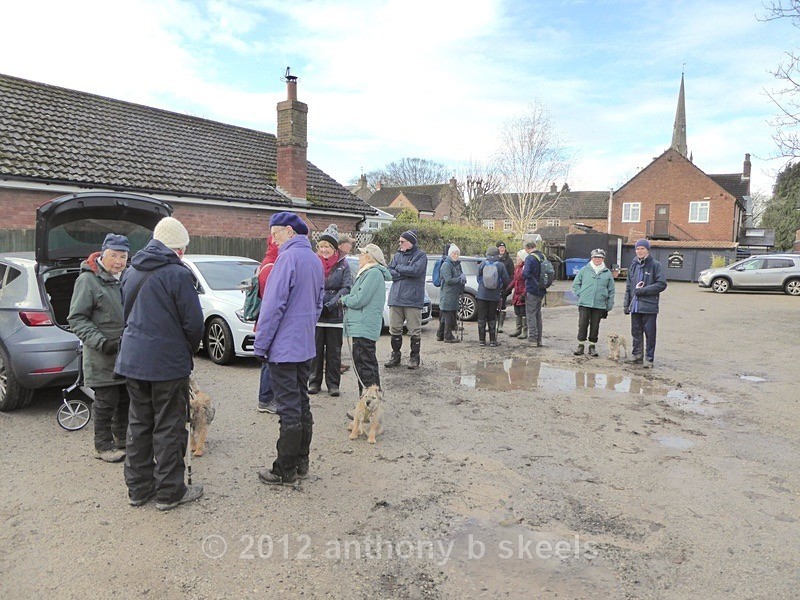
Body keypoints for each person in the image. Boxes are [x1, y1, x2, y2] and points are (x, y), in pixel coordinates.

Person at [115, 217, 205, 511]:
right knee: (169, 425)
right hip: (166, 364)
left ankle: (138, 490)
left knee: (139, 423)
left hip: (132, 360)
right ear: (178, 249)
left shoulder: (131, 270)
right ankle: (169, 492)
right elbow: (193, 323)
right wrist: (188, 348)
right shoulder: (177, 274)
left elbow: (126, 313)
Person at [255, 212, 323, 485]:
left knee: (289, 407)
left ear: (290, 232)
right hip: (304, 344)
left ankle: (284, 469)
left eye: (276, 232)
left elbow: (272, 306)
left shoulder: (287, 258)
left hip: (284, 347)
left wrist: (261, 344)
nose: (273, 238)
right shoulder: (315, 260)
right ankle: (301, 462)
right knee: (302, 402)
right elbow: (318, 303)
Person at [67, 233, 131, 463]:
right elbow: (77, 318)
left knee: (126, 397)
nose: (118, 261)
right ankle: (102, 446)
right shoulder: (88, 280)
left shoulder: (126, 277)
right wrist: (102, 342)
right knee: (106, 401)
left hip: (126, 352)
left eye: (123, 256)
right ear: (103, 254)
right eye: (113, 255)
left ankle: (123, 439)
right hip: (101, 353)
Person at [341, 244, 392, 394]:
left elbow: (359, 299)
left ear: (369, 257)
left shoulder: (372, 273)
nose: (359, 257)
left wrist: (344, 300)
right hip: (362, 326)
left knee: (365, 368)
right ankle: (373, 405)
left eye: (362, 255)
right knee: (367, 365)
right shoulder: (368, 273)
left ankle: (368, 408)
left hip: (364, 326)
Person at [309, 225, 353, 397]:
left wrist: (332, 304)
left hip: (335, 315)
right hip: (317, 314)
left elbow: (346, 287)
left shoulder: (344, 265)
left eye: (328, 246)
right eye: (322, 246)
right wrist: (319, 305)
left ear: (334, 248)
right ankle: (314, 382)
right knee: (315, 351)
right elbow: (309, 286)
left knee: (334, 352)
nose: (324, 250)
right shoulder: (314, 263)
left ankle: (333, 384)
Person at [385, 230, 427, 369]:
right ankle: (395, 356)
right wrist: (404, 271)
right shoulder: (397, 255)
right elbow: (389, 272)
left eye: (402, 241)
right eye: (399, 241)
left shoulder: (421, 255)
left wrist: (399, 269)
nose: (400, 244)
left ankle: (414, 357)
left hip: (412, 299)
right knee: (395, 329)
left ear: (411, 242)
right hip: (396, 297)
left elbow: (415, 271)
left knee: (414, 330)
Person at [623, 239, 667, 368]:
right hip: (635, 306)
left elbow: (661, 284)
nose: (639, 251)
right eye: (637, 249)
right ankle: (637, 355)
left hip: (649, 306)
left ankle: (649, 358)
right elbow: (629, 286)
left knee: (650, 334)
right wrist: (626, 304)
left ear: (647, 250)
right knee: (636, 332)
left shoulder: (655, 265)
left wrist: (644, 291)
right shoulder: (633, 265)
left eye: (642, 248)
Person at [572, 248, 616, 357]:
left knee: (595, 325)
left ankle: (592, 346)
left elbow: (611, 290)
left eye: (600, 257)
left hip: (599, 304)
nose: (597, 259)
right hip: (584, 303)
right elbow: (576, 284)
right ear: (592, 258)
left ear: (603, 259)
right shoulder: (584, 270)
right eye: (595, 257)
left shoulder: (607, 273)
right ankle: (580, 345)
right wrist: (580, 293)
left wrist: (609, 304)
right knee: (582, 324)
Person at [256, 235, 280, 413]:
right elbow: (271, 298)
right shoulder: (271, 267)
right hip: (269, 320)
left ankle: (267, 398)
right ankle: (265, 399)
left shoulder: (269, 263)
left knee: (270, 360)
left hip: (267, 319)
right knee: (269, 362)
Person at [476, 246, 510, 347]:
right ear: (497, 254)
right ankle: (492, 341)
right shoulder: (500, 265)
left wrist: (483, 284)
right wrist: (500, 288)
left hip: (482, 295)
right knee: (492, 317)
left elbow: (478, 278)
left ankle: (482, 341)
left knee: (481, 318)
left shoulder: (482, 264)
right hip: (494, 295)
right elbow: (506, 280)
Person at [438, 244, 466, 343]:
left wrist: (462, 279)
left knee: (447, 315)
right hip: (447, 294)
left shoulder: (457, 264)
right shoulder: (446, 265)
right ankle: (448, 336)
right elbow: (448, 280)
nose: (456, 255)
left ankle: (440, 335)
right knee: (448, 314)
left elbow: (459, 275)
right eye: (454, 253)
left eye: (457, 254)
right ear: (450, 254)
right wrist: (459, 279)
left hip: (453, 293)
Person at [337, 233, 356, 374]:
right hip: (335, 302)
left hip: (341, 301)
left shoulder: (344, 260)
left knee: (337, 338)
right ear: (342, 245)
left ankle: (336, 361)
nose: (351, 246)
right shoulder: (337, 259)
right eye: (349, 243)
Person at [522, 239, 547, 346]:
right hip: (542, 289)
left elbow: (526, 274)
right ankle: (539, 339)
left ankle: (532, 339)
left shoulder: (530, 258)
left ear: (527, 248)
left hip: (532, 289)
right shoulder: (543, 256)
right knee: (538, 315)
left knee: (531, 314)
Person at [508, 250, 528, 339]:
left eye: (518, 257)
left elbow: (527, 282)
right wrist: (508, 288)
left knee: (523, 313)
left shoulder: (525, 268)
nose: (516, 258)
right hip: (516, 293)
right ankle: (518, 329)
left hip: (522, 294)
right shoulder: (517, 268)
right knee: (517, 312)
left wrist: (524, 294)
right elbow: (515, 280)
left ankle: (524, 331)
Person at [496, 241, 514, 332]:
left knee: (502, 306)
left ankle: (500, 326)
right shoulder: (494, 259)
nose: (502, 249)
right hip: (494, 286)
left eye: (503, 247)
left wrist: (508, 287)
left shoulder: (509, 260)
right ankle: (492, 325)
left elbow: (512, 275)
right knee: (493, 305)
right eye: (500, 247)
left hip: (504, 286)